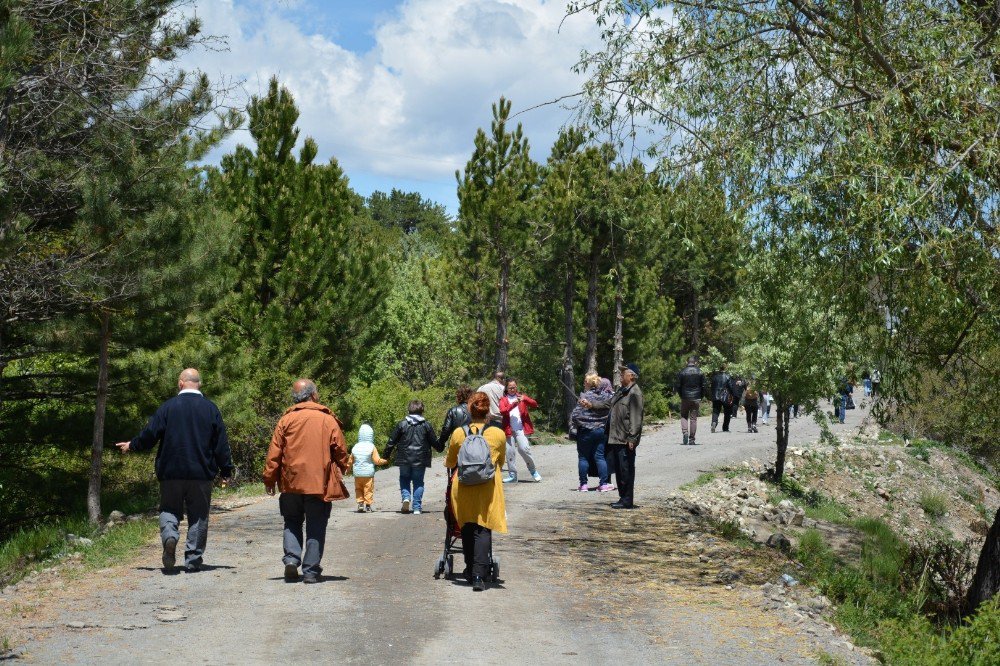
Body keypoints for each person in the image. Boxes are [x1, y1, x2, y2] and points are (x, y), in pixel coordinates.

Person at [115, 368, 233, 573]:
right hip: (201, 473)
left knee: (169, 509)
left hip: (170, 472)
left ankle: (170, 536)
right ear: (199, 384)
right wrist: (226, 471)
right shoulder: (210, 409)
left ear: (180, 383)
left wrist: (132, 445)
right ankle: (193, 559)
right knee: (198, 516)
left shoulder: (168, 407)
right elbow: (221, 444)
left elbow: (150, 434)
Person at [263, 379, 350, 583]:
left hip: (291, 482)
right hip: (319, 484)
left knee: (291, 521)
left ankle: (292, 560)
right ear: (314, 395)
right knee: (316, 524)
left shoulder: (286, 420)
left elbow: (274, 454)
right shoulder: (326, 419)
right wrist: (343, 466)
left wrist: (269, 478)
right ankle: (310, 570)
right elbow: (340, 449)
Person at [445, 391, 507, 592]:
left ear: (469, 410)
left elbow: (450, 461)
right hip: (488, 487)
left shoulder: (459, 433)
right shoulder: (497, 433)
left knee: (468, 527)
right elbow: (502, 460)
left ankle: (470, 570)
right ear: (488, 410)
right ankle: (479, 575)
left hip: (463, 486)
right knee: (483, 527)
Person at [580, 363, 644, 509]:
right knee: (620, 470)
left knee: (626, 470)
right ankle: (623, 499)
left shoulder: (635, 393)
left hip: (625, 439)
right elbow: (607, 404)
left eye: (623, 374)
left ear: (632, 376)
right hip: (615, 437)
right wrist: (591, 404)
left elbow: (636, 418)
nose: (620, 376)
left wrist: (632, 438)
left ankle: (627, 501)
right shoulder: (622, 391)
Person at [383, 400, 442, 515]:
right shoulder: (426, 425)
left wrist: (386, 456)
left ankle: (406, 497)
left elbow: (391, 441)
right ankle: (416, 508)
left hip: (404, 458)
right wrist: (440, 448)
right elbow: (434, 441)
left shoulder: (402, 424)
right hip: (420, 459)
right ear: (422, 411)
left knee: (404, 478)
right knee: (418, 482)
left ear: (409, 410)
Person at [569, 373, 613, 491]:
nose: (583, 383)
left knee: (583, 458)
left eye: (585, 381)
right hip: (600, 430)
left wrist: (580, 423)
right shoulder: (606, 396)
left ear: (589, 383)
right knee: (600, 457)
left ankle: (583, 485)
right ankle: (603, 484)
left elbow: (575, 415)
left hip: (585, 431)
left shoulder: (584, 397)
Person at [499, 379, 542, 483]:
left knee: (524, 449)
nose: (513, 389)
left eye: (514, 387)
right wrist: (513, 404)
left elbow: (535, 404)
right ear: (506, 388)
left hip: (520, 429)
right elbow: (503, 411)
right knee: (510, 452)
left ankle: (533, 471)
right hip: (508, 430)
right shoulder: (503, 399)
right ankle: (512, 475)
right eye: (510, 388)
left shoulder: (521, 397)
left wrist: (525, 398)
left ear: (516, 387)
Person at [348, 424, 388, 513]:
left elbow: (350, 461)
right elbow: (377, 461)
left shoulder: (355, 447)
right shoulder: (372, 447)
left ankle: (360, 503)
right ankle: (368, 505)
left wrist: (347, 469)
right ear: (371, 435)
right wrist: (385, 461)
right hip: (368, 474)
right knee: (368, 489)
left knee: (358, 489)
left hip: (357, 474)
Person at [675, 356, 707, 445]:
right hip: (696, 397)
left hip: (685, 397)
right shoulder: (700, 372)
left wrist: (681, 395)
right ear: (695, 362)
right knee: (693, 419)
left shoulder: (682, 372)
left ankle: (685, 432)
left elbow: (678, 386)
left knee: (684, 416)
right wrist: (701, 396)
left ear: (687, 362)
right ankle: (692, 439)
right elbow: (704, 386)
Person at [438, 385, 473, 451]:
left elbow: (446, 430)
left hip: (458, 444)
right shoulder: (477, 410)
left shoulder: (453, 411)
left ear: (458, 396)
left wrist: (440, 444)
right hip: (474, 444)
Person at [710, 364, 733, 433]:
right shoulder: (728, 376)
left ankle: (714, 422)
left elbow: (712, 387)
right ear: (725, 368)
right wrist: (731, 394)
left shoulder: (714, 377)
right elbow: (730, 387)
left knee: (716, 411)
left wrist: (712, 395)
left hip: (716, 396)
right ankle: (725, 427)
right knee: (727, 412)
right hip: (725, 396)